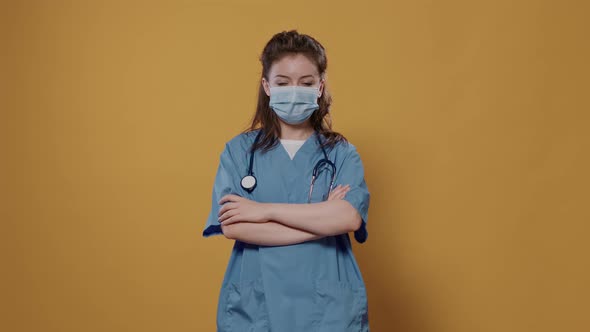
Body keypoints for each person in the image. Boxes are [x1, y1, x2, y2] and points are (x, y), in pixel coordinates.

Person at [202, 30, 371, 332]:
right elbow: (233, 225)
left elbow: (348, 217)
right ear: (267, 86)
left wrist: (263, 211)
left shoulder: (341, 154)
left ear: (320, 87)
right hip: (257, 308)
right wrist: (320, 221)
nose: (295, 91)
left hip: (328, 309)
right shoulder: (239, 152)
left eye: (306, 83)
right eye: (283, 82)